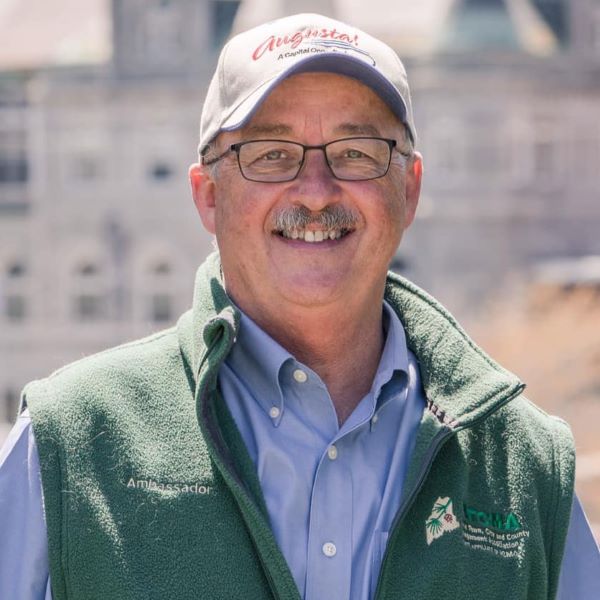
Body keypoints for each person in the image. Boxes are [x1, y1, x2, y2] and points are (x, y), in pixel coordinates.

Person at [1, 12, 599, 600]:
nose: (315, 190)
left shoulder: (527, 470)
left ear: (410, 190)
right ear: (209, 196)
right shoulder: (69, 446)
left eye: (356, 152)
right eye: (270, 154)